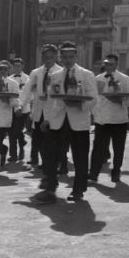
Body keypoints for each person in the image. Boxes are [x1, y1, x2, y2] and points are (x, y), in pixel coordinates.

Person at [35, 41, 98, 203]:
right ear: (60, 58)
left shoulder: (86, 75)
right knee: (49, 154)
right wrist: (47, 119)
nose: (68, 60)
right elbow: (51, 100)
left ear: (76, 57)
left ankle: (78, 190)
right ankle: (50, 188)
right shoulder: (55, 76)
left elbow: (93, 98)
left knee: (80, 158)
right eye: (65, 57)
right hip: (58, 121)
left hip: (78, 122)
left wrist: (80, 104)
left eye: (71, 57)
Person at [89, 55, 129, 183]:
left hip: (118, 120)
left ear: (116, 65)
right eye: (106, 63)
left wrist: (120, 101)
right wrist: (94, 114)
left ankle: (116, 171)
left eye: (111, 64)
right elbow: (94, 98)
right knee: (98, 148)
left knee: (118, 148)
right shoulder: (98, 78)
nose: (108, 66)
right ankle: (93, 174)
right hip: (102, 120)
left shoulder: (125, 79)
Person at [19, 44, 62, 171]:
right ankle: (46, 162)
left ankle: (56, 163)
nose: (48, 60)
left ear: (55, 57)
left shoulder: (60, 72)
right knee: (38, 139)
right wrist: (21, 105)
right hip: (39, 110)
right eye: (45, 57)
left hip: (54, 111)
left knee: (53, 139)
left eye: (51, 57)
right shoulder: (36, 72)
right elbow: (26, 90)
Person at [8, 58, 29, 161]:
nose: (17, 68)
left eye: (18, 66)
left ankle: (21, 148)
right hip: (12, 108)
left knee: (18, 130)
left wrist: (21, 106)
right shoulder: (9, 79)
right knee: (12, 132)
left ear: (22, 66)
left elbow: (29, 95)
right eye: (15, 66)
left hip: (24, 109)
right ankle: (13, 155)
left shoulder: (28, 78)